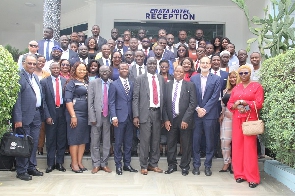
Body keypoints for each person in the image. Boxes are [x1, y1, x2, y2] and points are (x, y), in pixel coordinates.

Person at [227, 65, 264, 188]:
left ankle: (252, 178)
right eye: (241, 73)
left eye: (245, 73)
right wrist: (237, 106)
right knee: (237, 148)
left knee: (249, 149)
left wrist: (244, 103)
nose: (243, 75)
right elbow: (230, 103)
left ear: (250, 73)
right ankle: (240, 174)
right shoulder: (236, 88)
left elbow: (259, 103)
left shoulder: (256, 86)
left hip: (249, 120)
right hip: (237, 119)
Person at [13, 54, 44, 181]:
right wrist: (18, 119)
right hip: (24, 116)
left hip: (36, 115)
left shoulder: (35, 77)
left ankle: (31, 166)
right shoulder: (19, 77)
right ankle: (21, 170)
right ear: (24, 63)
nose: (32, 66)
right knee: (23, 144)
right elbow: (17, 100)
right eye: (29, 63)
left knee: (33, 143)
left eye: (34, 63)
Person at [133, 57, 165, 175]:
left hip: (157, 113)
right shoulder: (140, 79)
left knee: (156, 140)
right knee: (145, 141)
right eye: (150, 63)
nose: (152, 65)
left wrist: (164, 117)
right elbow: (135, 98)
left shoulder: (160, 78)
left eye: (154, 63)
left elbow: (164, 99)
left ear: (156, 65)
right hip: (144, 113)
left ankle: (153, 164)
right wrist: (136, 115)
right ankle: (144, 165)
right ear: (146, 65)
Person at [163, 65, 197, 176]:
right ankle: (171, 165)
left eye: (181, 71)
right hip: (171, 120)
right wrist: (166, 119)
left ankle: (185, 167)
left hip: (184, 120)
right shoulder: (167, 85)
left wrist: (186, 119)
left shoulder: (190, 85)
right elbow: (163, 104)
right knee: (171, 143)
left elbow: (193, 104)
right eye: (177, 71)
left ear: (184, 74)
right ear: (174, 72)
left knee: (186, 144)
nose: (178, 73)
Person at [190, 56, 221, 176]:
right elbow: (192, 97)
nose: (204, 64)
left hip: (210, 114)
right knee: (196, 141)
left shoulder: (216, 79)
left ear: (210, 65)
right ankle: (196, 166)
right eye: (202, 62)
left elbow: (215, 96)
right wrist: (198, 108)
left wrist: (205, 109)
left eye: (207, 63)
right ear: (199, 64)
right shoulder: (193, 78)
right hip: (196, 114)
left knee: (209, 141)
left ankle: (208, 166)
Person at [108, 62, 138, 175]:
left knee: (128, 142)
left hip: (130, 117)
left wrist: (136, 115)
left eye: (126, 68)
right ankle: (118, 165)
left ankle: (127, 164)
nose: (125, 69)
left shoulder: (132, 83)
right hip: (119, 118)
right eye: (122, 68)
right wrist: (114, 117)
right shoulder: (114, 84)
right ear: (118, 70)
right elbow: (111, 102)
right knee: (118, 143)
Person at [41, 62, 67, 173]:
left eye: (58, 68)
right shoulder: (44, 82)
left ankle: (60, 163)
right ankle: (50, 164)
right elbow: (43, 101)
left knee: (61, 138)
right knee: (51, 139)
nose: (56, 69)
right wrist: (47, 115)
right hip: (51, 113)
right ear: (50, 69)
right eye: (54, 68)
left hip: (62, 111)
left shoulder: (65, 81)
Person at [64, 62, 89, 173]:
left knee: (83, 139)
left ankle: (79, 162)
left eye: (84, 70)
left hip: (86, 114)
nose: (82, 71)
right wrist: (73, 116)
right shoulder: (71, 83)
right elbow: (68, 100)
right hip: (75, 113)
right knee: (74, 139)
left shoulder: (87, 82)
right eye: (80, 69)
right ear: (74, 70)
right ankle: (73, 163)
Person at [88, 65, 112, 174]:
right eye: (102, 71)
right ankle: (96, 164)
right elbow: (90, 102)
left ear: (110, 72)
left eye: (106, 71)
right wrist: (92, 117)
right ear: (99, 72)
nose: (104, 73)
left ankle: (104, 163)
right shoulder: (93, 83)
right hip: (96, 116)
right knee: (95, 141)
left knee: (107, 141)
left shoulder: (112, 83)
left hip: (108, 117)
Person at [219, 71, 239, 173]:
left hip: (238, 118)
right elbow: (223, 104)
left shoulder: (241, 90)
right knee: (224, 140)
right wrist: (222, 114)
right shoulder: (226, 91)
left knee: (237, 142)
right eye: (231, 78)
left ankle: (235, 165)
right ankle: (227, 162)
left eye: (235, 77)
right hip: (227, 118)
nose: (232, 79)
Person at [34, 55, 50, 156]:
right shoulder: (31, 73)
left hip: (43, 103)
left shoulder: (47, 74)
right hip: (33, 104)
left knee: (42, 127)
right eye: (39, 61)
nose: (41, 63)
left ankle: (40, 147)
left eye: (43, 61)